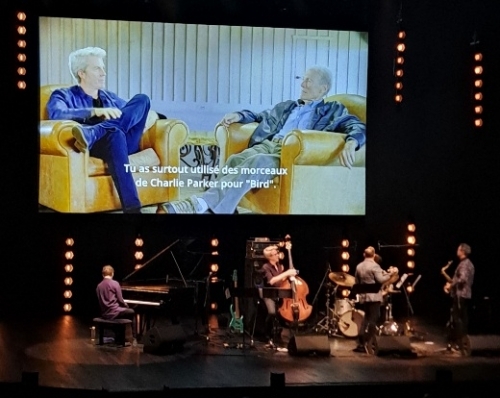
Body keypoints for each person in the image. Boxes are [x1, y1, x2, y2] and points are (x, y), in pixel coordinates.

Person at [161, 65, 366, 214]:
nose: (302, 84)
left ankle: (199, 204)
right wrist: (240, 116)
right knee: (234, 161)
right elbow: (262, 116)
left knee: (256, 163)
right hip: (268, 145)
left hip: (288, 155)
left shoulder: (333, 110)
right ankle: (217, 208)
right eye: (302, 79)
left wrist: (352, 141)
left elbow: (356, 125)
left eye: (309, 81)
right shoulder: (288, 106)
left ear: (323, 88)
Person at [47, 47, 153, 213]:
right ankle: (133, 210)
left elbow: (137, 110)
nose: (103, 73)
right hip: (94, 147)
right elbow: (56, 114)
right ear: (81, 73)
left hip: (126, 142)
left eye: (103, 68)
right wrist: (93, 111)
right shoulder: (63, 95)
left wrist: (148, 117)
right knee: (115, 133)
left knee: (143, 99)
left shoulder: (109, 96)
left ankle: (94, 132)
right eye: (97, 68)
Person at [353, 246, 398, 354]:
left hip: (365, 296)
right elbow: (381, 280)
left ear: (364, 255)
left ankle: (360, 342)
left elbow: (357, 281)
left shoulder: (359, 266)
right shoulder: (375, 266)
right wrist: (391, 274)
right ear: (373, 255)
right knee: (374, 318)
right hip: (374, 296)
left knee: (366, 318)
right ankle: (368, 340)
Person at [260, 245, 297, 344]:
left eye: (277, 253)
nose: (278, 255)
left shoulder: (280, 266)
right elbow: (272, 281)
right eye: (275, 254)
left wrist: (290, 276)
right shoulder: (265, 267)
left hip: (279, 293)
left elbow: (280, 281)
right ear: (270, 257)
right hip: (269, 294)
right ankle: (267, 334)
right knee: (272, 312)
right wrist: (286, 273)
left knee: (282, 313)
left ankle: (278, 333)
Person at [445, 243, 475, 355]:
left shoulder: (464, 264)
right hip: (464, 294)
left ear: (462, 251)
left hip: (460, 295)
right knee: (461, 319)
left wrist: (451, 285)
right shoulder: (468, 264)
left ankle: (460, 344)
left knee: (458, 320)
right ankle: (462, 343)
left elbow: (462, 279)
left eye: (458, 249)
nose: (457, 251)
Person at [96, 265, 137, 346]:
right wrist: (126, 305)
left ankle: (119, 336)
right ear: (112, 274)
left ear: (102, 274)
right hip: (114, 312)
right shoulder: (115, 283)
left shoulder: (99, 286)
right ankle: (134, 338)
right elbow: (120, 300)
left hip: (105, 313)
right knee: (132, 311)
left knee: (122, 312)